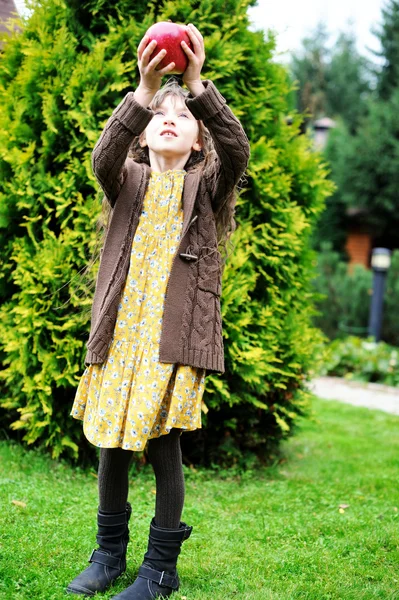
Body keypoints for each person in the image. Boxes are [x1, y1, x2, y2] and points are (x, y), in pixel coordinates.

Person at [66, 22, 250, 600]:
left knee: (163, 442)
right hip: (122, 334)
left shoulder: (206, 187)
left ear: (197, 140)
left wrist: (196, 85)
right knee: (112, 443)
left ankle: (162, 567)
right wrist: (144, 91)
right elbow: (103, 153)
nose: (169, 118)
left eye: (182, 116)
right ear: (144, 135)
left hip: (171, 340)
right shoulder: (126, 181)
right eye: (158, 117)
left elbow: (237, 148)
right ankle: (108, 554)